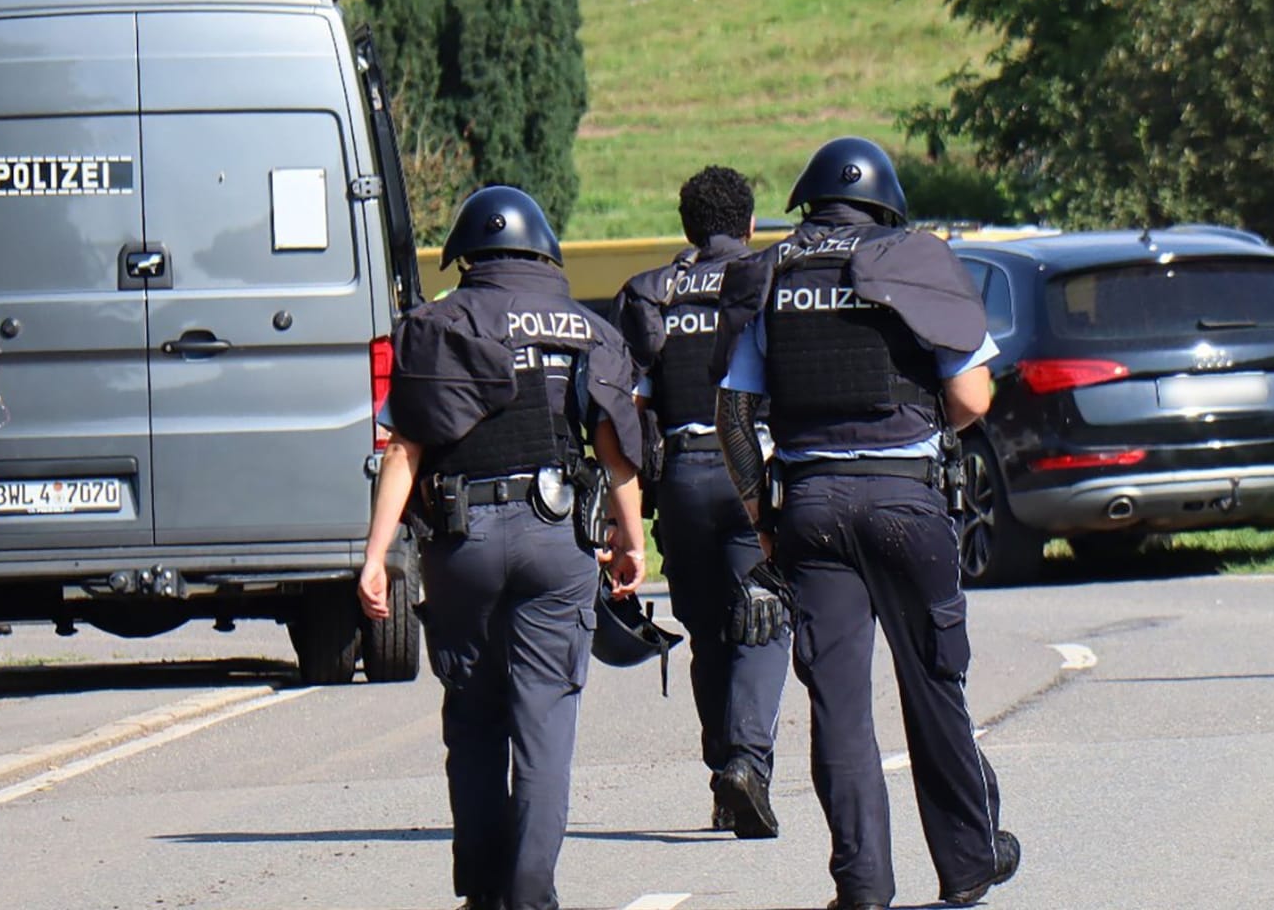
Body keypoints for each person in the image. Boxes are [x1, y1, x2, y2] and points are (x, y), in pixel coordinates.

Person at [709, 137, 1021, 910]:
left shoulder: (774, 273)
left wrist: (765, 517)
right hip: (907, 501)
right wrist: (926, 423)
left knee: (839, 705)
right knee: (934, 684)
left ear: (810, 203)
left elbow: (734, 415)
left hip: (811, 508)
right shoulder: (917, 259)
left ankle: (863, 886)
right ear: (886, 204)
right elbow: (976, 398)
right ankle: (969, 863)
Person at [360, 184, 647, 910]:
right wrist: (630, 540)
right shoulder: (588, 329)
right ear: (542, 252)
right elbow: (616, 454)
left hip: (466, 545)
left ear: (467, 257)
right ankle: (529, 894)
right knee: (545, 724)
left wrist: (376, 555)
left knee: (476, 719)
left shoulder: (434, 327)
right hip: (557, 541)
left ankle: (485, 893)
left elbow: (403, 452)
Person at [609, 165, 791, 839]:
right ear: (749, 224)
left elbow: (627, 410)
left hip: (681, 479)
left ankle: (724, 778)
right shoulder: (770, 277)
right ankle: (746, 763)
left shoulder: (649, 293)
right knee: (765, 619)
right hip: (754, 473)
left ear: (687, 227)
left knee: (711, 633)